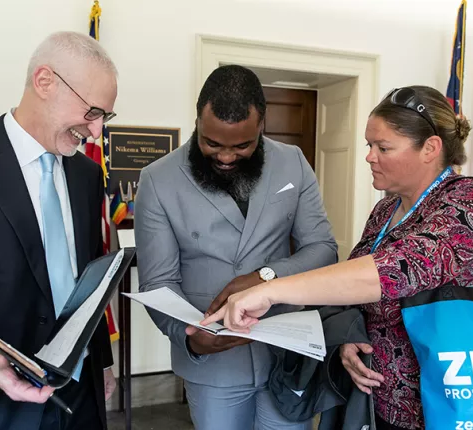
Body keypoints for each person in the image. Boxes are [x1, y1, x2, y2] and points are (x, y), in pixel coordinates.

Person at [202, 85, 473, 429]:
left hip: (450, 408)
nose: (370, 156)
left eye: (383, 147)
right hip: (377, 405)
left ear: (430, 148)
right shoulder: (385, 210)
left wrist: (268, 289)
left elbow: (395, 270)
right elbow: (358, 295)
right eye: (369, 146)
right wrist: (349, 337)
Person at [134, 64, 337, 430]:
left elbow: (322, 248)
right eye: (212, 143)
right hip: (212, 365)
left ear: (262, 125)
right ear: (198, 121)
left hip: (286, 356)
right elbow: (157, 282)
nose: (226, 157)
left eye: (242, 145)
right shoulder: (158, 180)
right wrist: (189, 340)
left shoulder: (292, 163)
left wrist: (266, 277)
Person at [0, 32, 119, 430]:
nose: (96, 133)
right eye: (92, 111)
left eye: (104, 117)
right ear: (45, 82)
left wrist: (103, 363)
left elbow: (86, 286)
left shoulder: (87, 175)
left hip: (81, 399)